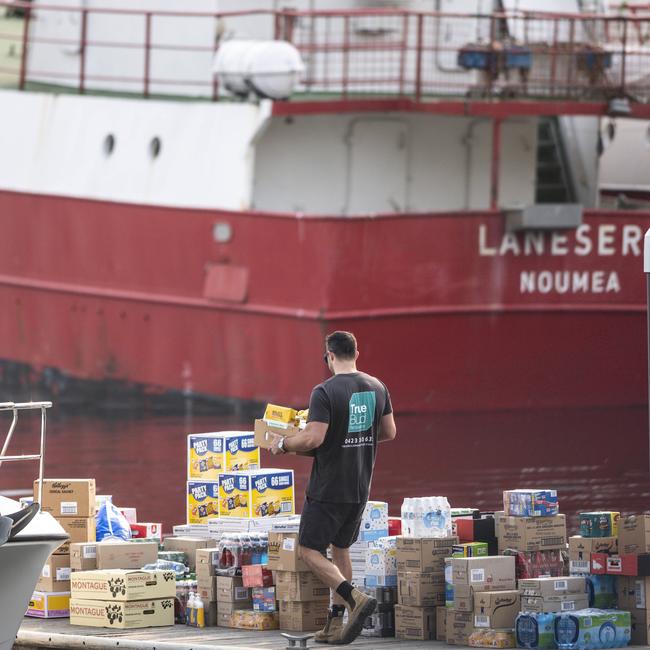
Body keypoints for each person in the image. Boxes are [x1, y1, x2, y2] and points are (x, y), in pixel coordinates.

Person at [270, 330, 397, 645]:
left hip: (328, 488)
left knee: (309, 550)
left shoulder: (324, 391)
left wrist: (283, 443)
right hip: (359, 486)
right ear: (357, 352)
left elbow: (313, 438)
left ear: (329, 355)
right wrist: (355, 439)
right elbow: (389, 431)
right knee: (341, 549)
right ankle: (334, 625)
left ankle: (354, 598)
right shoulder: (377, 386)